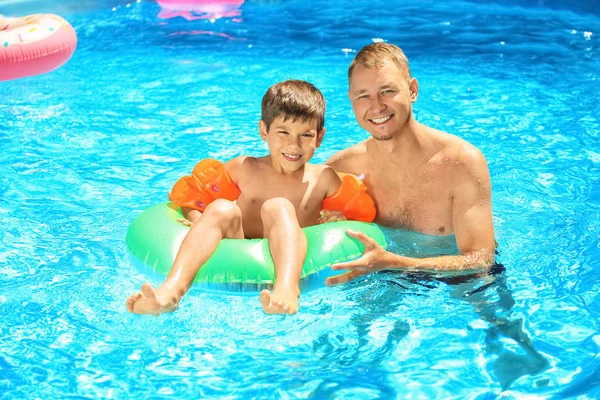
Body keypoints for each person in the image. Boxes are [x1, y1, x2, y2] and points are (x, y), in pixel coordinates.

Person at [126, 80, 375, 316]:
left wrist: (337, 219)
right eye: (283, 132)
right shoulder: (245, 168)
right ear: (264, 131)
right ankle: (171, 291)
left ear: (319, 138)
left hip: (288, 252)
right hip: (239, 243)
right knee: (222, 208)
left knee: (278, 207)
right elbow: (193, 194)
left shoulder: (324, 179)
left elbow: (359, 218)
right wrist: (197, 219)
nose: (294, 145)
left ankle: (287, 288)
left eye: (305, 135)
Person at [322, 42, 497, 284]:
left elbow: (480, 259)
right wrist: (331, 224)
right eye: (364, 96)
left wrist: (395, 263)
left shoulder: (462, 163)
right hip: (379, 278)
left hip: (461, 280)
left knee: (493, 311)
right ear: (352, 100)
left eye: (387, 91)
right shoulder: (339, 169)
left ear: (412, 90)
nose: (376, 106)